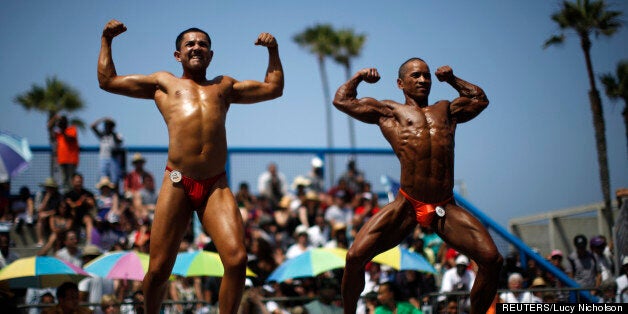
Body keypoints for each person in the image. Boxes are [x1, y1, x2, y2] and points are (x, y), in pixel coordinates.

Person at [98, 19, 284, 314]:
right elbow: (108, 80)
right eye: (190, 44)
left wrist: (272, 51)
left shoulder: (225, 86)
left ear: (210, 55)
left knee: (236, 261)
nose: (197, 47)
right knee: (159, 269)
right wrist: (107, 39)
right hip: (177, 180)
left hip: (215, 184)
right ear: (178, 55)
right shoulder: (164, 83)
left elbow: (274, 88)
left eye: (203, 44)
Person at [333, 59, 502, 313]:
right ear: (401, 83)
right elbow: (342, 101)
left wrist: (453, 79)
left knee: (492, 259)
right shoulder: (390, 112)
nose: (423, 80)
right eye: (415, 76)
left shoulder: (446, 110)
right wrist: (358, 77)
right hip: (407, 205)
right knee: (354, 257)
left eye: (426, 76)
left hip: (444, 207)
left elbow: (480, 100)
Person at [48, 115, 80, 192]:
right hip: (62, 160)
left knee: (70, 180)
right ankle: (66, 194)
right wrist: (54, 118)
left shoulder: (72, 129)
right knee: (64, 180)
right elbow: (49, 127)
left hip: (71, 160)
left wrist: (63, 129)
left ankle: (71, 194)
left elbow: (69, 138)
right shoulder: (59, 134)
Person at [91, 117, 124, 190]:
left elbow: (120, 141)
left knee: (115, 179)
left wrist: (112, 132)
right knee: (103, 179)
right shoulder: (102, 135)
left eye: (109, 126)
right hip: (103, 158)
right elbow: (92, 126)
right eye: (106, 126)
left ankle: (116, 194)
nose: (107, 127)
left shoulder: (116, 135)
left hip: (114, 159)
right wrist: (103, 119)